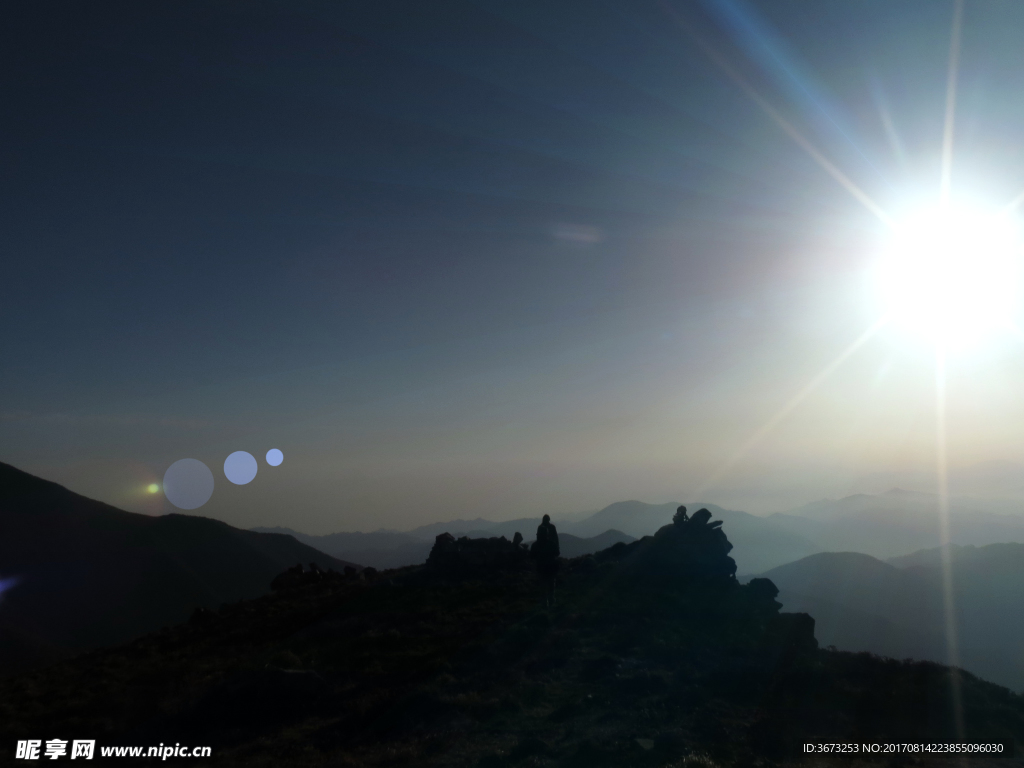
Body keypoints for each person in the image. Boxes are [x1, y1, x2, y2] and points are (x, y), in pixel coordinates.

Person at [531, 515, 560, 606]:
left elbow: (532, 556)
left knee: (543, 586)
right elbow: (557, 552)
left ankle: (545, 603)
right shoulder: (551, 544)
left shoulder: (535, 545)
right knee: (551, 585)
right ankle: (551, 602)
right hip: (551, 568)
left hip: (541, 568)